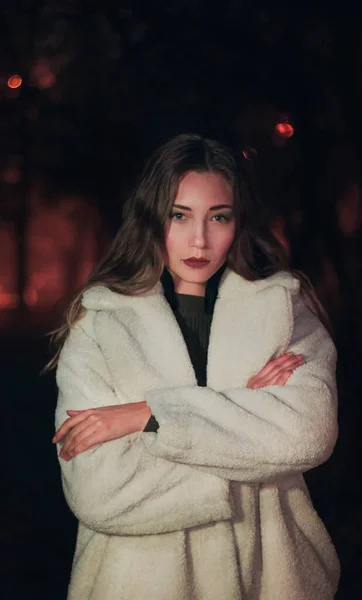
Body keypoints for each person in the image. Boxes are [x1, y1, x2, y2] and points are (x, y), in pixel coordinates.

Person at [50, 133, 340, 600]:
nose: (199, 239)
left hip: (268, 580)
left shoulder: (283, 311)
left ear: (238, 222)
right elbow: (99, 489)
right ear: (151, 219)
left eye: (218, 217)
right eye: (178, 215)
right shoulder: (101, 322)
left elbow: (309, 434)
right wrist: (245, 419)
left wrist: (148, 416)